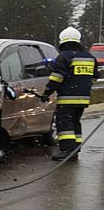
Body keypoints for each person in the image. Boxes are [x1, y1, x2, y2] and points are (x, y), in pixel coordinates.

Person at [40, 27, 100, 161]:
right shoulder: (89, 57)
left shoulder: (64, 56)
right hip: (83, 98)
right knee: (75, 122)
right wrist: (83, 86)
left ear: (62, 41)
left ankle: (67, 150)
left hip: (67, 98)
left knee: (64, 123)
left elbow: (57, 77)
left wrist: (47, 92)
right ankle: (75, 149)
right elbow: (95, 76)